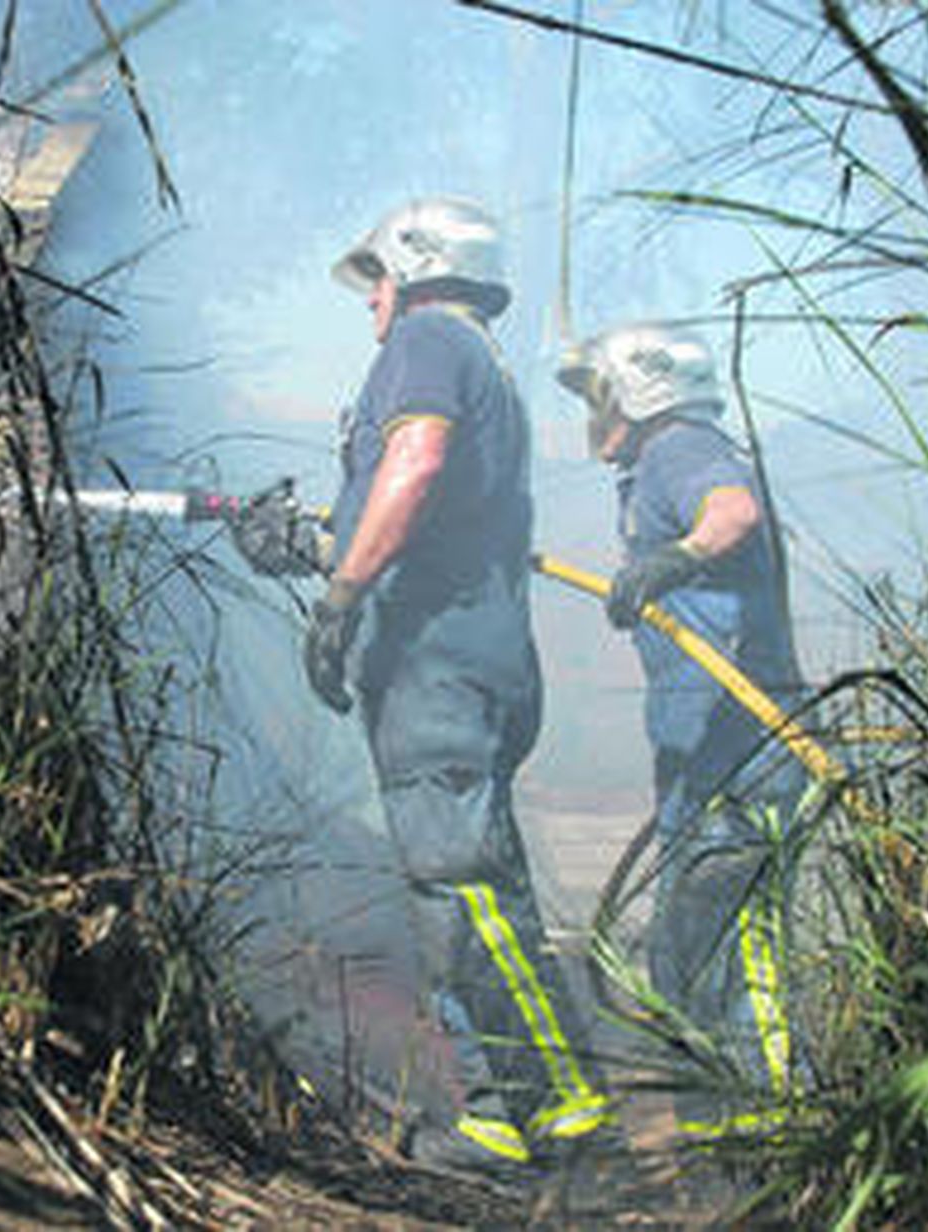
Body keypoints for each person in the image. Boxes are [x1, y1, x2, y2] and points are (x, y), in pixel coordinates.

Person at [239, 197, 611, 1177]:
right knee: (463, 885)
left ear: (413, 270)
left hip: (437, 665)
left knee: (463, 887)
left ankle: (562, 1106)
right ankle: (492, 1113)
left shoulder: (426, 342)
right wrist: (310, 549)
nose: (369, 306)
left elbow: (416, 461)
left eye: (374, 283)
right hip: (462, 657)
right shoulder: (472, 358)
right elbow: (412, 508)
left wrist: (340, 597)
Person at [555, 322, 805, 1135]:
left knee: (745, 943)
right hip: (704, 746)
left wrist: (672, 560)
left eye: (601, 398)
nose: (594, 419)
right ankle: (717, 1120)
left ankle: (780, 1121)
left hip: (747, 741)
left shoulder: (680, 445)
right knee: (689, 944)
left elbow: (732, 514)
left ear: (643, 390)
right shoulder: (656, 460)